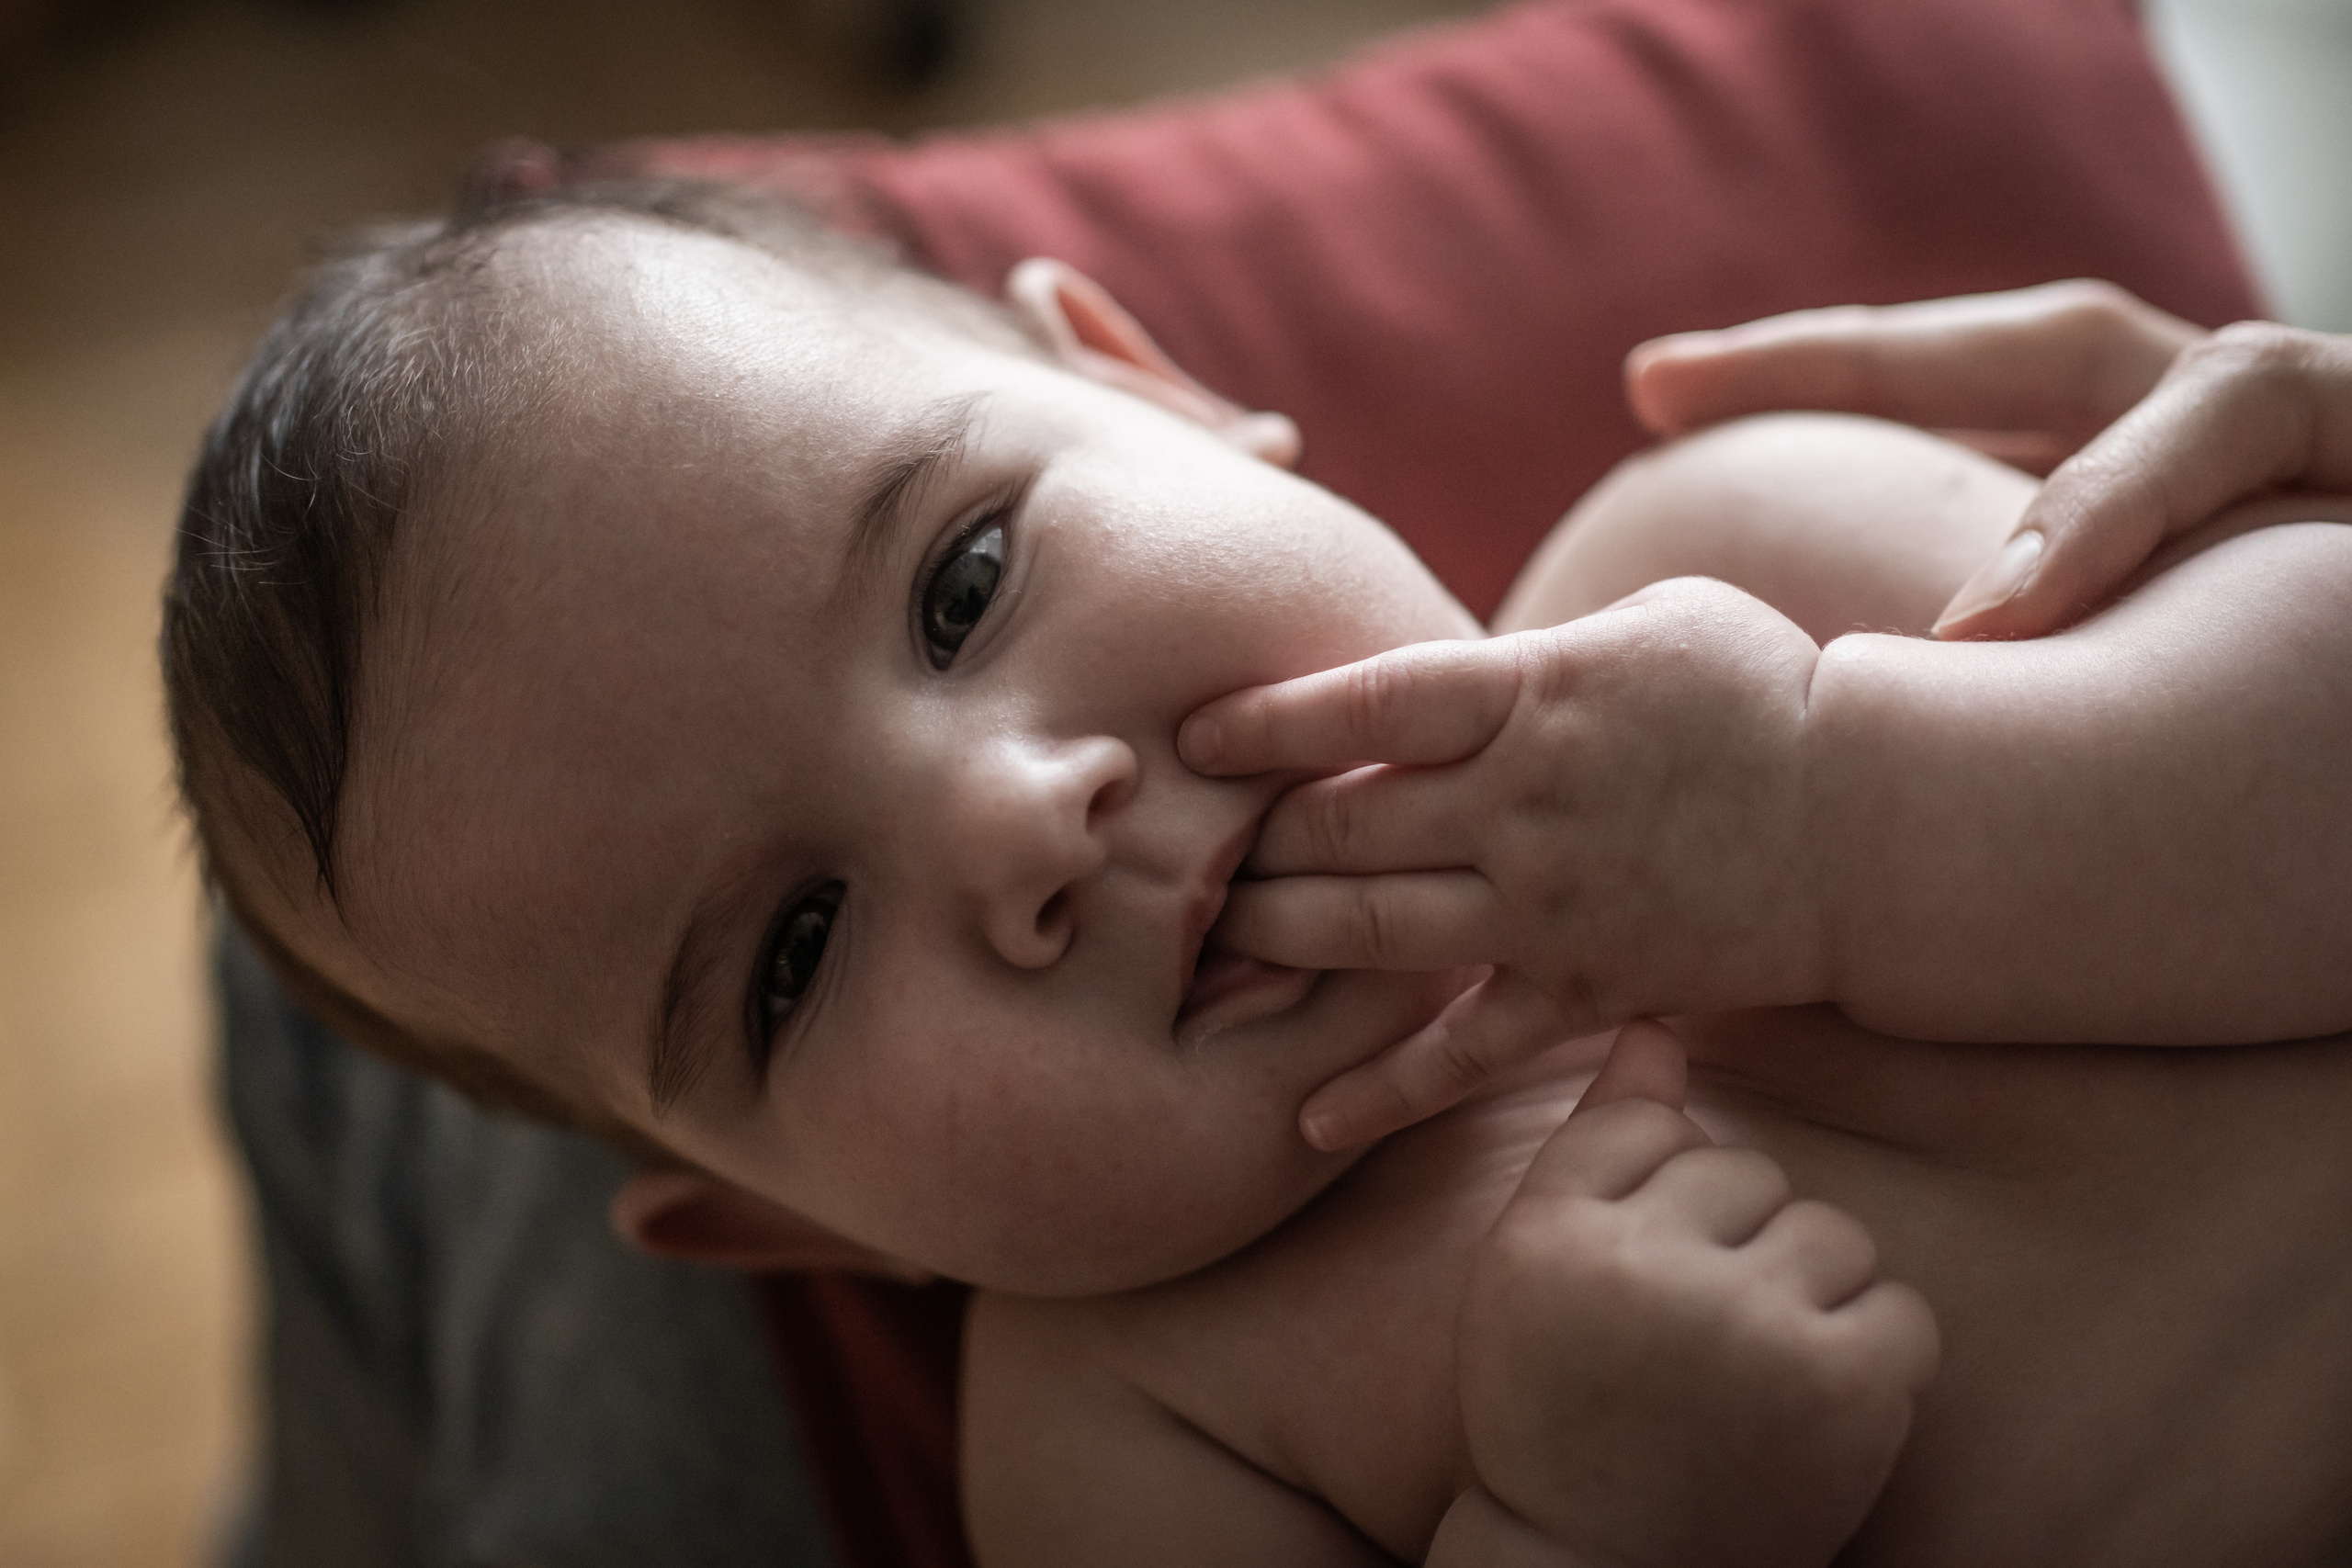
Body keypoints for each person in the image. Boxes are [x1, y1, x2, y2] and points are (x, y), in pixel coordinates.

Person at [164, 180, 2352, 1565]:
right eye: (795, 952)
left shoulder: (1722, 554)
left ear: (1165, 387)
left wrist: (1840, 816)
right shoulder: (1131, 1441)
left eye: (962, 582)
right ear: (803, 1230)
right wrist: (1587, 1527)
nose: (1018, 820)